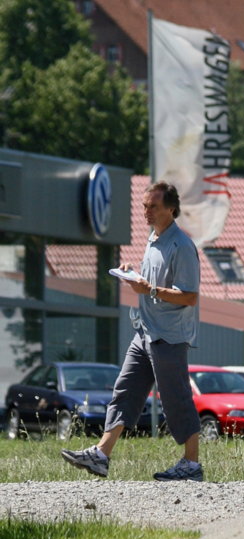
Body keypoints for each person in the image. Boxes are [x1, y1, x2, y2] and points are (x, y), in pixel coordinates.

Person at [61, 181, 203, 479]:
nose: (146, 211)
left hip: (169, 337)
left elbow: (189, 296)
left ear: (171, 209)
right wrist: (132, 275)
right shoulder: (153, 239)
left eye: (153, 206)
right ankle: (101, 454)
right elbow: (149, 283)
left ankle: (191, 464)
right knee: (125, 391)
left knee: (176, 400)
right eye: (144, 205)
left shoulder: (182, 246)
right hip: (145, 333)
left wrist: (149, 289)